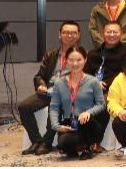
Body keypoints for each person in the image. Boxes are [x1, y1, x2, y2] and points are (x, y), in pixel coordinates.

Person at [20, 22, 83, 156]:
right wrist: (41, 85)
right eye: (66, 32)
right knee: (24, 107)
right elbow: (39, 76)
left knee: (55, 106)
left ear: (78, 35)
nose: (69, 36)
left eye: (73, 33)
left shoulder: (82, 55)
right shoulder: (51, 55)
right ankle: (36, 141)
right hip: (48, 92)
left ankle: (47, 142)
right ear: (60, 35)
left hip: (68, 94)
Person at [47, 45, 108, 159]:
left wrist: (88, 112)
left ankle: (87, 147)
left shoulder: (93, 81)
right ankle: (77, 146)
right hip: (70, 123)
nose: (75, 64)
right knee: (64, 144)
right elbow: (54, 107)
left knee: (84, 121)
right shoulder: (59, 83)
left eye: (79, 60)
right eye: (71, 60)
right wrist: (57, 126)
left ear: (85, 60)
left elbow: (101, 104)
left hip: (89, 123)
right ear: (66, 60)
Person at [85, 21, 126, 91]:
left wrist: (104, 85)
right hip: (91, 89)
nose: (112, 35)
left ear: (121, 34)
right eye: (108, 32)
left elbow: (125, 75)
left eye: (115, 32)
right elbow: (85, 74)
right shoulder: (92, 53)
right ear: (103, 33)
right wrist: (94, 83)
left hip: (114, 90)